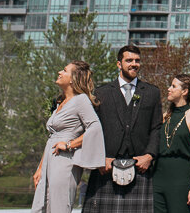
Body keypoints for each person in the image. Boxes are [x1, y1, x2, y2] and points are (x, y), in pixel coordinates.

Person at [84, 45, 163, 213]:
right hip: (106, 167)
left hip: (140, 166)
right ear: (119, 64)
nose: (134, 64)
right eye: (129, 60)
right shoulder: (101, 93)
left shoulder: (151, 92)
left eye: (137, 61)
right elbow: (92, 130)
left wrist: (149, 156)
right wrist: (99, 158)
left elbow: (156, 127)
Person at [32, 61, 106, 213]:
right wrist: (40, 168)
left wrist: (69, 145)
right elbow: (51, 138)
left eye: (64, 70)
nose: (60, 72)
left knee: (59, 206)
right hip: (49, 160)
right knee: (42, 205)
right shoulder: (60, 101)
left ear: (73, 79)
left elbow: (95, 127)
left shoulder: (81, 100)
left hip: (65, 160)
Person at [153, 73, 190, 213]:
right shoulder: (165, 116)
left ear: (184, 91)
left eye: (173, 86)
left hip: (180, 179)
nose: (169, 89)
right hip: (157, 178)